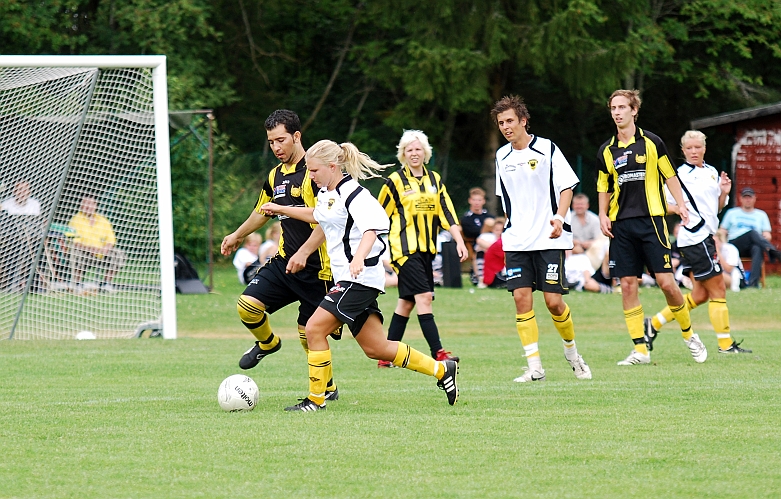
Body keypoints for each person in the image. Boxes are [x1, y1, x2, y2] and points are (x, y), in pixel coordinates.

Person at [260, 139, 459, 411]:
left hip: (359, 279)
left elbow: (373, 228)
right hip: (349, 279)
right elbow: (318, 216)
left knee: (314, 328)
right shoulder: (326, 194)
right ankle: (442, 370)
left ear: (332, 167)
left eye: (315, 171)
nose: (311, 176)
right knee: (376, 348)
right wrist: (281, 209)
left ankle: (316, 400)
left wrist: (358, 257)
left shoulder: (355, 194)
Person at [220, 109, 341, 401]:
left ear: (296, 136)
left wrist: (305, 251)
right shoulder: (275, 175)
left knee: (308, 333)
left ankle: (328, 388)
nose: (276, 147)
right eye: (271, 141)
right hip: (286, 262)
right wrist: (237, 235)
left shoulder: (314, 173)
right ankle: (268, 343)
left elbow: (327, 220)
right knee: (247, 305)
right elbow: (262, 212)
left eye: (281, 140)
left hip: (318, 269)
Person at [596, 89, 706, 366]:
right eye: (613, 108)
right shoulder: (606, 150)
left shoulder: (652, 142)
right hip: (621, 226)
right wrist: (602, 215)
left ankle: (689, 334)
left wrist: (680, 205)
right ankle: (640, 350)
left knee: (667, 283)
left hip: (652, 222)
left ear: (634, 110)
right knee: (628, 285)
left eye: (622, 107)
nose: (617, 112)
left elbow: (670, 176)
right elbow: (603, 187)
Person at [492, 95, 592, 382]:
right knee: (522, 300)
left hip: (549, 238)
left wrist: (559, 218)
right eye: (501, 123)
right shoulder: (501, 156)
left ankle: (573, 354)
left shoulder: (547, 148)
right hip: (517, 241)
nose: (506, 127)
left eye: (510, 120)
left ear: (523, 120)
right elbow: (506, 198)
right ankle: (535, 367)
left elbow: (567, 187)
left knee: (553, 302)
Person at [645, 130, 751, 354]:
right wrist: (678, 209)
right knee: (719, 289)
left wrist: (723, 193)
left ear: (704, 148)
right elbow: (662, 204)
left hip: (705, 236)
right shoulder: (679, 175)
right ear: (683, 151)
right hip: (694, 237)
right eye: (689, 148)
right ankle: (725, 345)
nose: (694, 151)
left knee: (701, 295)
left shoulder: (712, 172)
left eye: (697, 147)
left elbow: (717, 209)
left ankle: (652, 324)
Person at [376, 130, 468, 367]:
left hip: (427, 250)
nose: (414, 153)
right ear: (403, 154)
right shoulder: (394, 181)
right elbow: (377, 216)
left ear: (425, 152)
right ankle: (438, 353)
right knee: (425, 297)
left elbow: (447, 212)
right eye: (409, 149)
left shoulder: (435, 180)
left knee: (406, 302)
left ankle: (386, 356)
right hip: (404, 250)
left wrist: (459, 240)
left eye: (418, 149)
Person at [719, 187, 781, 288]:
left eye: (750, 197)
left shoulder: (761, 215)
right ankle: (773, 252)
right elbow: (722, 231)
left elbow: (767, 235)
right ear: (741, 199)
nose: (747, 200)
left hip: (751, 246)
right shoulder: (732, 213)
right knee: (752, 233)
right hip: (735, 244)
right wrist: (724, 245)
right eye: (745, 197)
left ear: (754, 198)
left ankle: (753, 284)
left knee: (757, 247)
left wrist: (766, 237)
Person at [68, 194, 126, 293]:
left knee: (118, 254)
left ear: (95, 205)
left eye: (90, 203)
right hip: (84, 253)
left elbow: (111, 239)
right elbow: (74, 242)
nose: (88, 206)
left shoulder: (103, 220)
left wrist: (106, 248)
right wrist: (91, 249)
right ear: (81, 205)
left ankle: (106, 284)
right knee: (76, 252)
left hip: (102, 254)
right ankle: (77, 284)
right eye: (85, 203)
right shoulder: (75, 220)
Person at [460, 187, 495, 282]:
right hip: (476, 244)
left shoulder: (489, 216)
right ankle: (481, 278)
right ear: (470, 201)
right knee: (488, 224)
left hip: (491, 242)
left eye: (479, 200)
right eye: (474, 200)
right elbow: (470, 232)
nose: (477, 203)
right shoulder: (466, 218)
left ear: (483, 201)